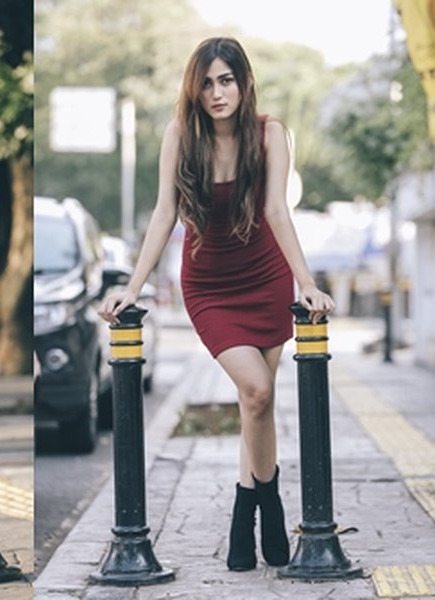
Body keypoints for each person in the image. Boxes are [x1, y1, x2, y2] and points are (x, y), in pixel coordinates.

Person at [99, 37, 335, 572]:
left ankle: (252, 512)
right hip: (209, 285)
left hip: (266, 275)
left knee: (259, 404)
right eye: (206, 82)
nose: (216, 92)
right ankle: (261, 507)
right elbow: (163, 215)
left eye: (226, 79)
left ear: (244, 82)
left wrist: (306, 282)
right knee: (256, 388)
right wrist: (133, 289)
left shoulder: (270, 133)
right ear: (194, 89)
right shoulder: (181, 135)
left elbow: (277, 210)